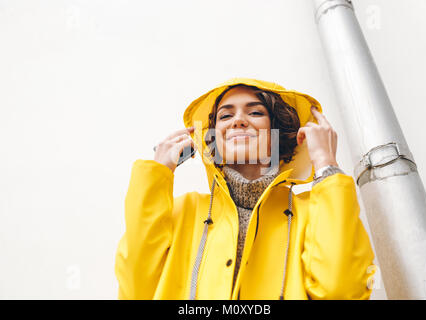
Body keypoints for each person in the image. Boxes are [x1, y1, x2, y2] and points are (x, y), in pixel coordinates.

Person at [114, 78, 376, 300]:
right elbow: (137, 287)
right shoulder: (184, 211)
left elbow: (341, 290)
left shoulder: (312, 212)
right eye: (225, 115)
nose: (238, 121)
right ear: (214, 138)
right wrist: (158, 172)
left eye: (255, 112)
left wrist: (326, 165)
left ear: (278, 133)